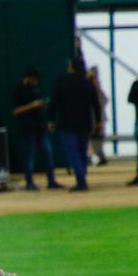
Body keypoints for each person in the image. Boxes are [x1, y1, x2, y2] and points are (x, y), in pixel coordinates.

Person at [49, 57, 96, 191]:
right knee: (82, 152)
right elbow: (95, 104)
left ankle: (81, 181)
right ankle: (82, 176)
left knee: (73, 153)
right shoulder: (87, 83)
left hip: (68, 124)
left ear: (71, 67)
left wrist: (51, 120)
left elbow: (54, 102)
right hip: (85, 123)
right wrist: (97, 121)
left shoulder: (62, 82)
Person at [11, 67, 59, 190]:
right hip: (27, 129)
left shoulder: (36, 89)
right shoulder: (18, 90)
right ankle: (29, 182)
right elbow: (16, 111)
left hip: (40, 127)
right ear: (29, 78)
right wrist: (32, 106)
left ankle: (51, 180)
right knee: (29, 156)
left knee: (48, 154)